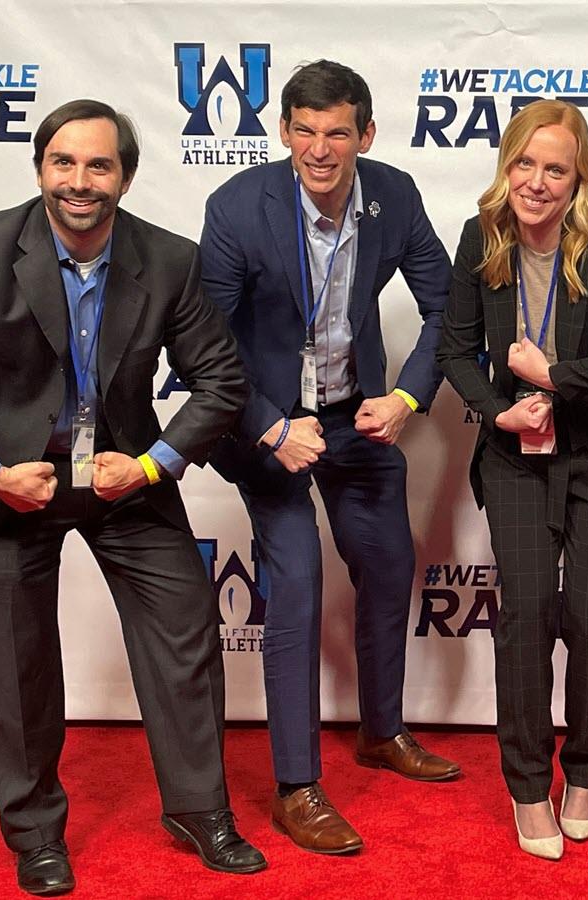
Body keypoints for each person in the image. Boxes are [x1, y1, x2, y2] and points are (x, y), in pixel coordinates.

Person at [0, 99, 263, 895]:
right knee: (20, 662)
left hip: (124, 479)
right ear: (40, 169)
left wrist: (152, 465)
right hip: (14, 481)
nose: (79, 182)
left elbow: (222, 380)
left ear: (125, 176)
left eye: (98, 165)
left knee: (185, 627)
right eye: (63, 163)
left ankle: (198, 809)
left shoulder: (168, 259)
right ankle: (36, 835)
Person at [198, 60, 458, 855]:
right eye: (304, 131)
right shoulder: (239, 207)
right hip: (267, 429)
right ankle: (296, 786)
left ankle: (382, 732)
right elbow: (203, 345)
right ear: (283, 133)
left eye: (337, 132)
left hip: (358, 419)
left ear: (365, 135)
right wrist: (273, 427)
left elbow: (447, 304)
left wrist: (409, 397)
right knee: (301, 586)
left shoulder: (395, 194)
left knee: (387, 566)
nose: (320, 148)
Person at [437, 99, 588, 861]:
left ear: (579, 176)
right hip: (516, 454)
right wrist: (496, 412)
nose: (537, 182)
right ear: (505, 162)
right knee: (526, 615)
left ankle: (585, 770)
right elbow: (453, 350)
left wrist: (558, 376)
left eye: (556, 168)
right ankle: (525, 784)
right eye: (525, 163)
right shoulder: (482, 234)